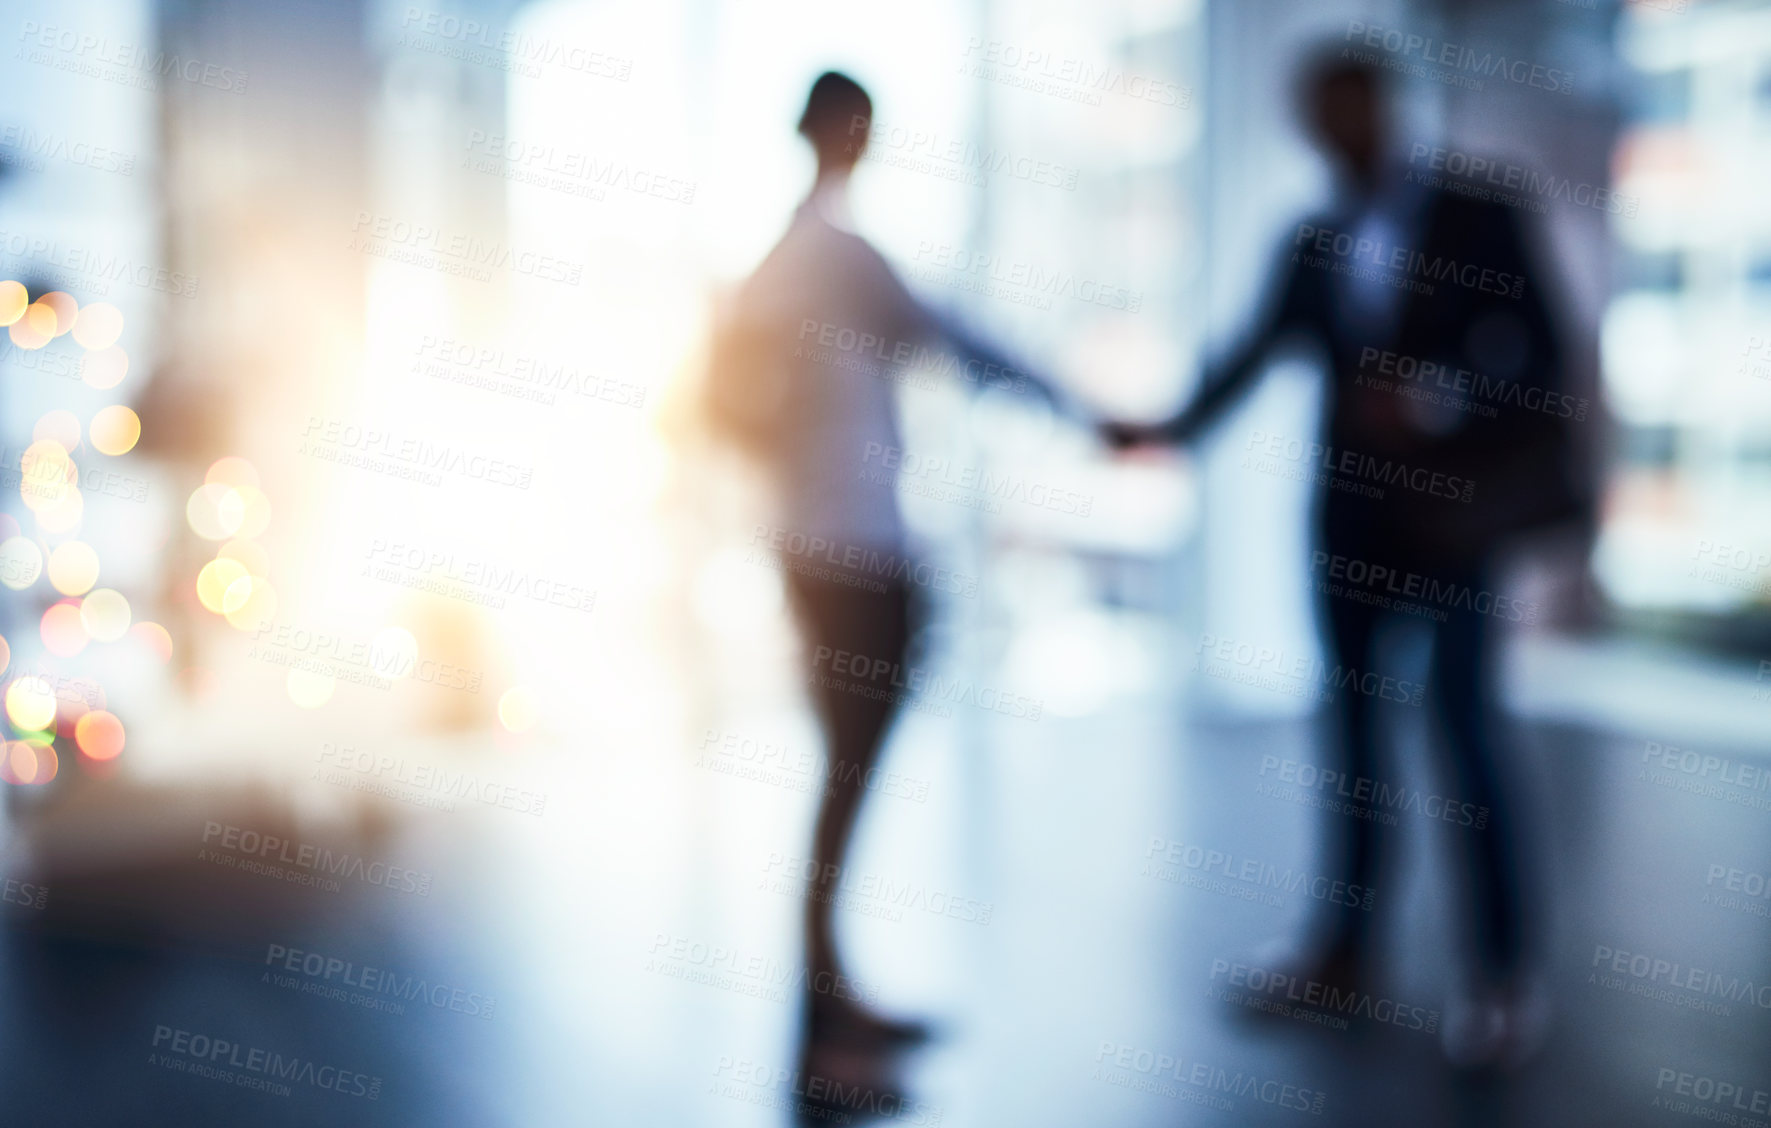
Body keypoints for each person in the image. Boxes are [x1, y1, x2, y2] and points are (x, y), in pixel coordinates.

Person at [1106, 52, 1586, 1068]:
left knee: (1465, 744)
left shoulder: (1477, 212)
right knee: (1355, 754)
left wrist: (1441, 399)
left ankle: (1500, 979)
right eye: (1318, 118)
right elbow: (1247, 357)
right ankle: (1344, 955)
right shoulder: (1313, 242)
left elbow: (1544, 358)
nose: (1338, 133)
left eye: (1349, 109)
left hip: (1454, 532)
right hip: (1350, 537)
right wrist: (1160, 430)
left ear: (1384, 106)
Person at [705, 70, 1064, 1113]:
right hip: (851, 550)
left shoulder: (778, 261)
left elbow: (725, 399)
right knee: (845, 782)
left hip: (814, 540)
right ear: (844, 132)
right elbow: (955, 338)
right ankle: (823, 1040)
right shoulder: (836, 256)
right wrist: (1082, 409)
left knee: (841, 779)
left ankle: (832, 1002)